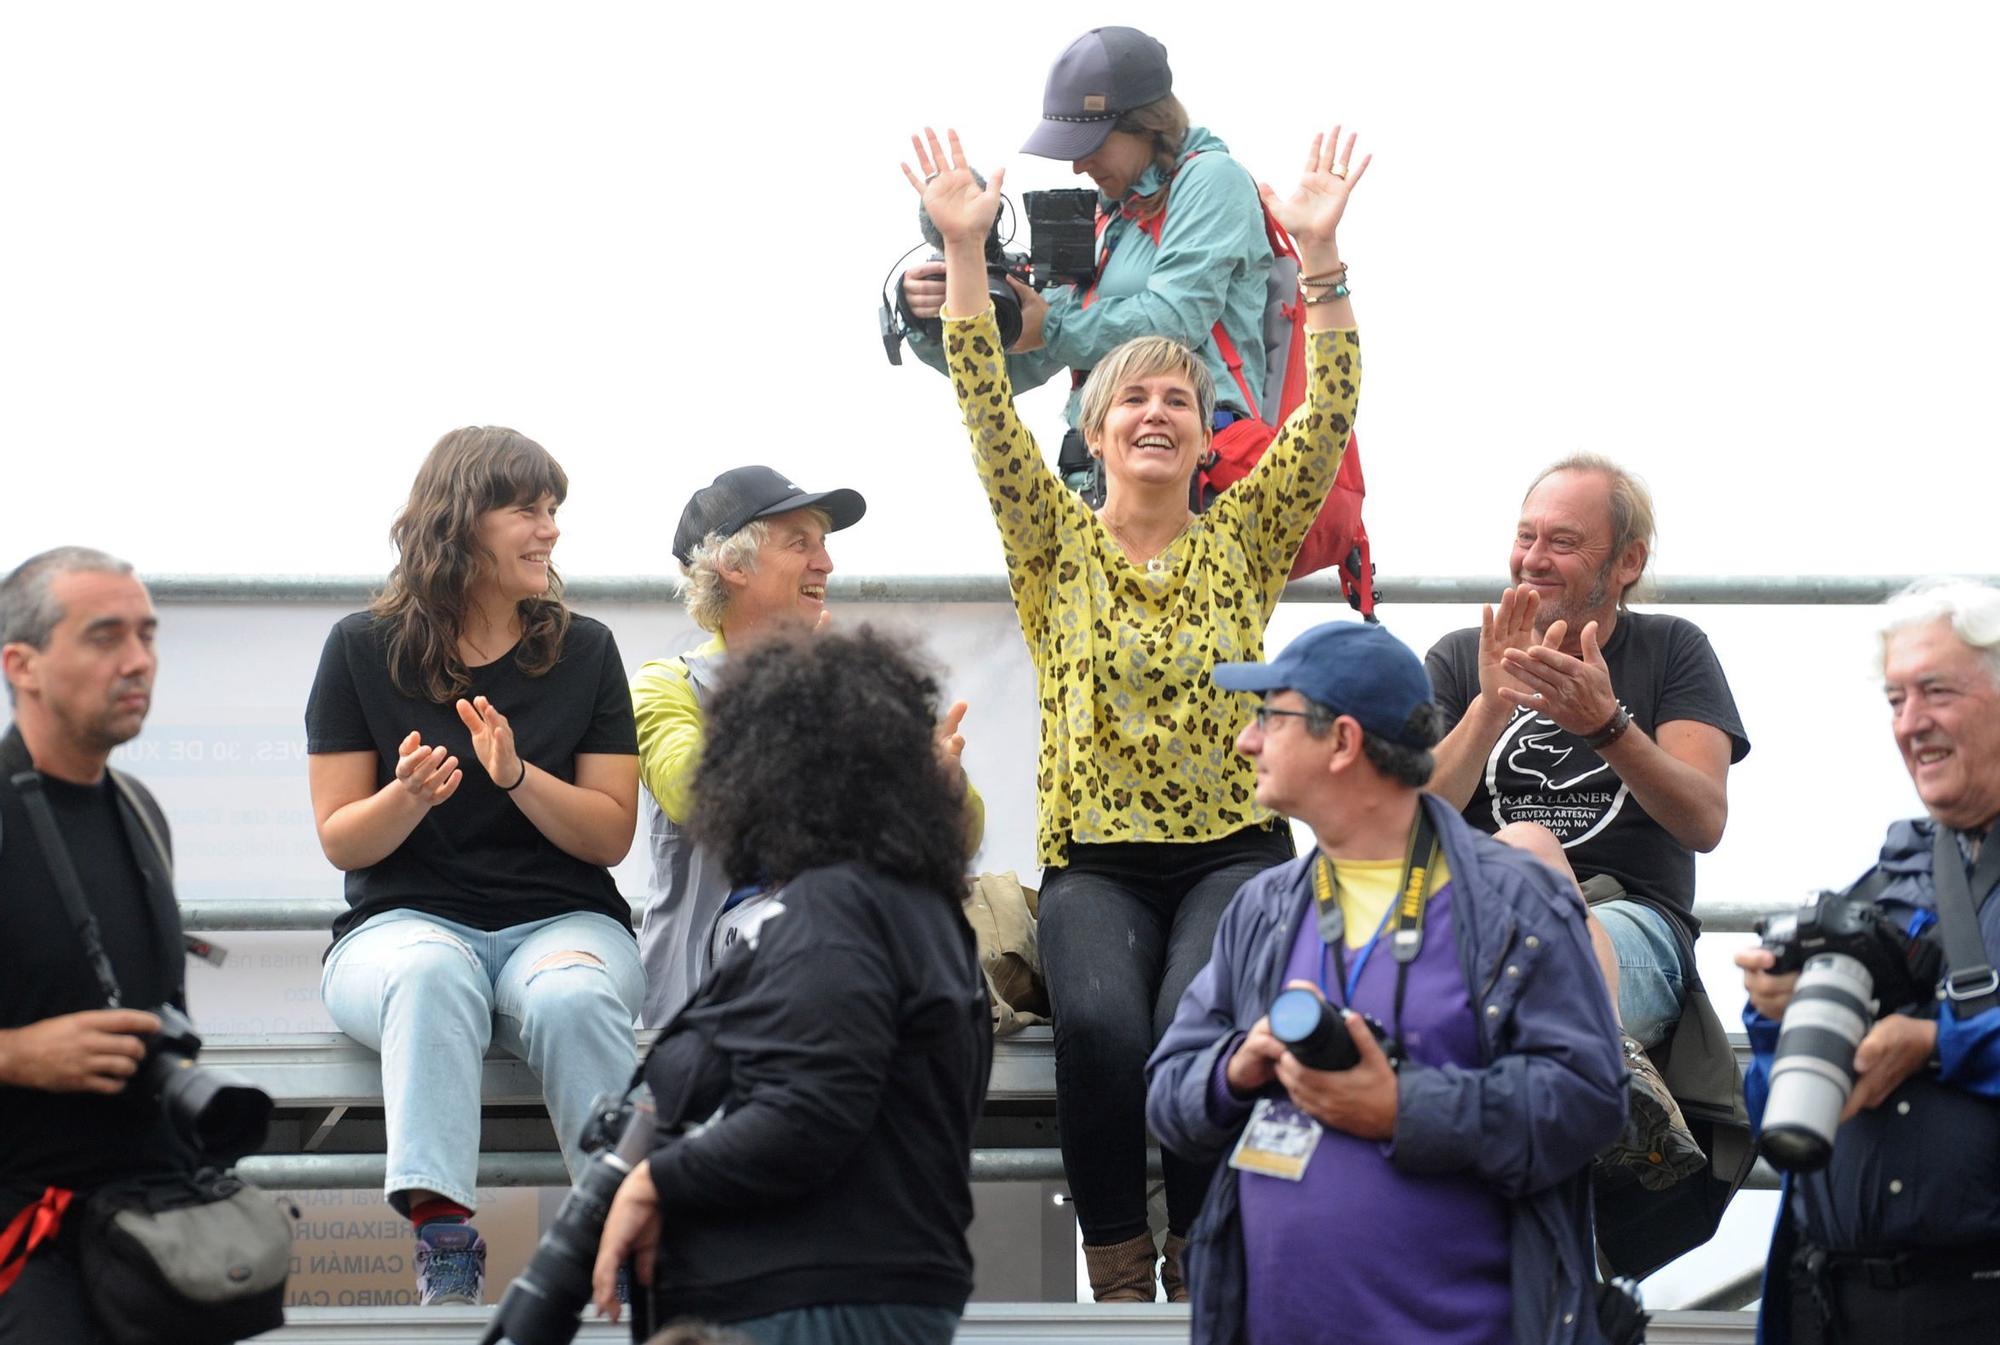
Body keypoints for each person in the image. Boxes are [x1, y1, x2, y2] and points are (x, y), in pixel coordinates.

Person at [902, 121, 1366, 1300]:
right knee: (1104, 1032)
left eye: (1179, 398)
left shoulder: (1243, 538)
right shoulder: (1051, 542)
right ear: (1096, 432)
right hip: (1094, 863)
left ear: (1207, 435)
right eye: (1131, 399)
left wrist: (1318, 262)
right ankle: (1115, 1263)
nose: (1156, 412)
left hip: (1232, 853)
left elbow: (1323, 419)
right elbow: (980, 405)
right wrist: (964, 249)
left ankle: (1205, 1255)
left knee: (1199, 1030)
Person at [1146, 621, 1626, 1345]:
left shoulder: (1515, 902)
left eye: (1270, 718)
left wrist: (1405, 1107)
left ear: (1342, 742)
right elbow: (1168, 1090)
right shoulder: (1263, 907)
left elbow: (1590, 1099)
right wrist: (1235, 1067)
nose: (1246, 741)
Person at [305, 426, 644, 1307]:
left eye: (554, 509)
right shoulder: (358, 648)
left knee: (572, 996)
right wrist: (408, 798)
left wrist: (517, 777)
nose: (550, 530)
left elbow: (610, 836)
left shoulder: (589, 649)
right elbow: (343, 837)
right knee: (428, 973)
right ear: (461, 522)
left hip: (564, 924)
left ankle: (625, 1243)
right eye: (527, 509)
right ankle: (446, 1247)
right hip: (400, 928)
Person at [592, 628, 991, 1345]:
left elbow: (813, 1104)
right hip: (847, 1288)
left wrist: (657, 1181)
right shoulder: (900, 908)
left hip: (803, 1300)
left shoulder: (840, 908)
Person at [1424, 454, 1749, 1187]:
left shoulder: (1672, 650)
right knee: (1518, 875)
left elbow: (1703, 818)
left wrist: (1608, 725)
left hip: (1627, 926)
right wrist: (1490, 707)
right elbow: (1414, 827)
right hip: (1476, 927)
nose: (1533, 559)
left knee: (1526, 866)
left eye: (1562, 541)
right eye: (1526, 536)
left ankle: (1589, 1063)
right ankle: (1604, 1068)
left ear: (1628, 561)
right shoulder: (1458, 660)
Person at [1737, 578, 2000, 1344]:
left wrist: (1935, 1042)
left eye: (1937, 691)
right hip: (1832, 1299)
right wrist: (1777, 1023)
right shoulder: (1878, 888)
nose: (1911, 723)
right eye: (1895, 700)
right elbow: (1769, 1116)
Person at [631, 466, 987, 1027]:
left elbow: (963, 840)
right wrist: (792, 696)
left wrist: (940, 793)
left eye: (823, 545)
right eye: (800, 543)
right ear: (732, 563)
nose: (825, 563)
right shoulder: (668, 685)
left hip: (845, 943)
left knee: (938, 954)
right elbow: (699, 798)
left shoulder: (854, 680)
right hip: (725, 975)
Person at [898, 26, 1276, 486]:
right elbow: (1018, 367)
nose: (1078, 165)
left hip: (1196, 476)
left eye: (1091, 143)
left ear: (1147, 125)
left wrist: (1052, 327)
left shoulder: (1213, 180)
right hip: (1101, 483)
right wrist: (939, 320)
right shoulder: (1104, 217)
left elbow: (1177, 318)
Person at [0, 549, 200, 1344]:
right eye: (104, 636)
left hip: (148, 1233)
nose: (138, 661)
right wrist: (16, 1055)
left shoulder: (141, 809)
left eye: (147, 635)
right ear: (24, 665)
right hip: (26, 1240)